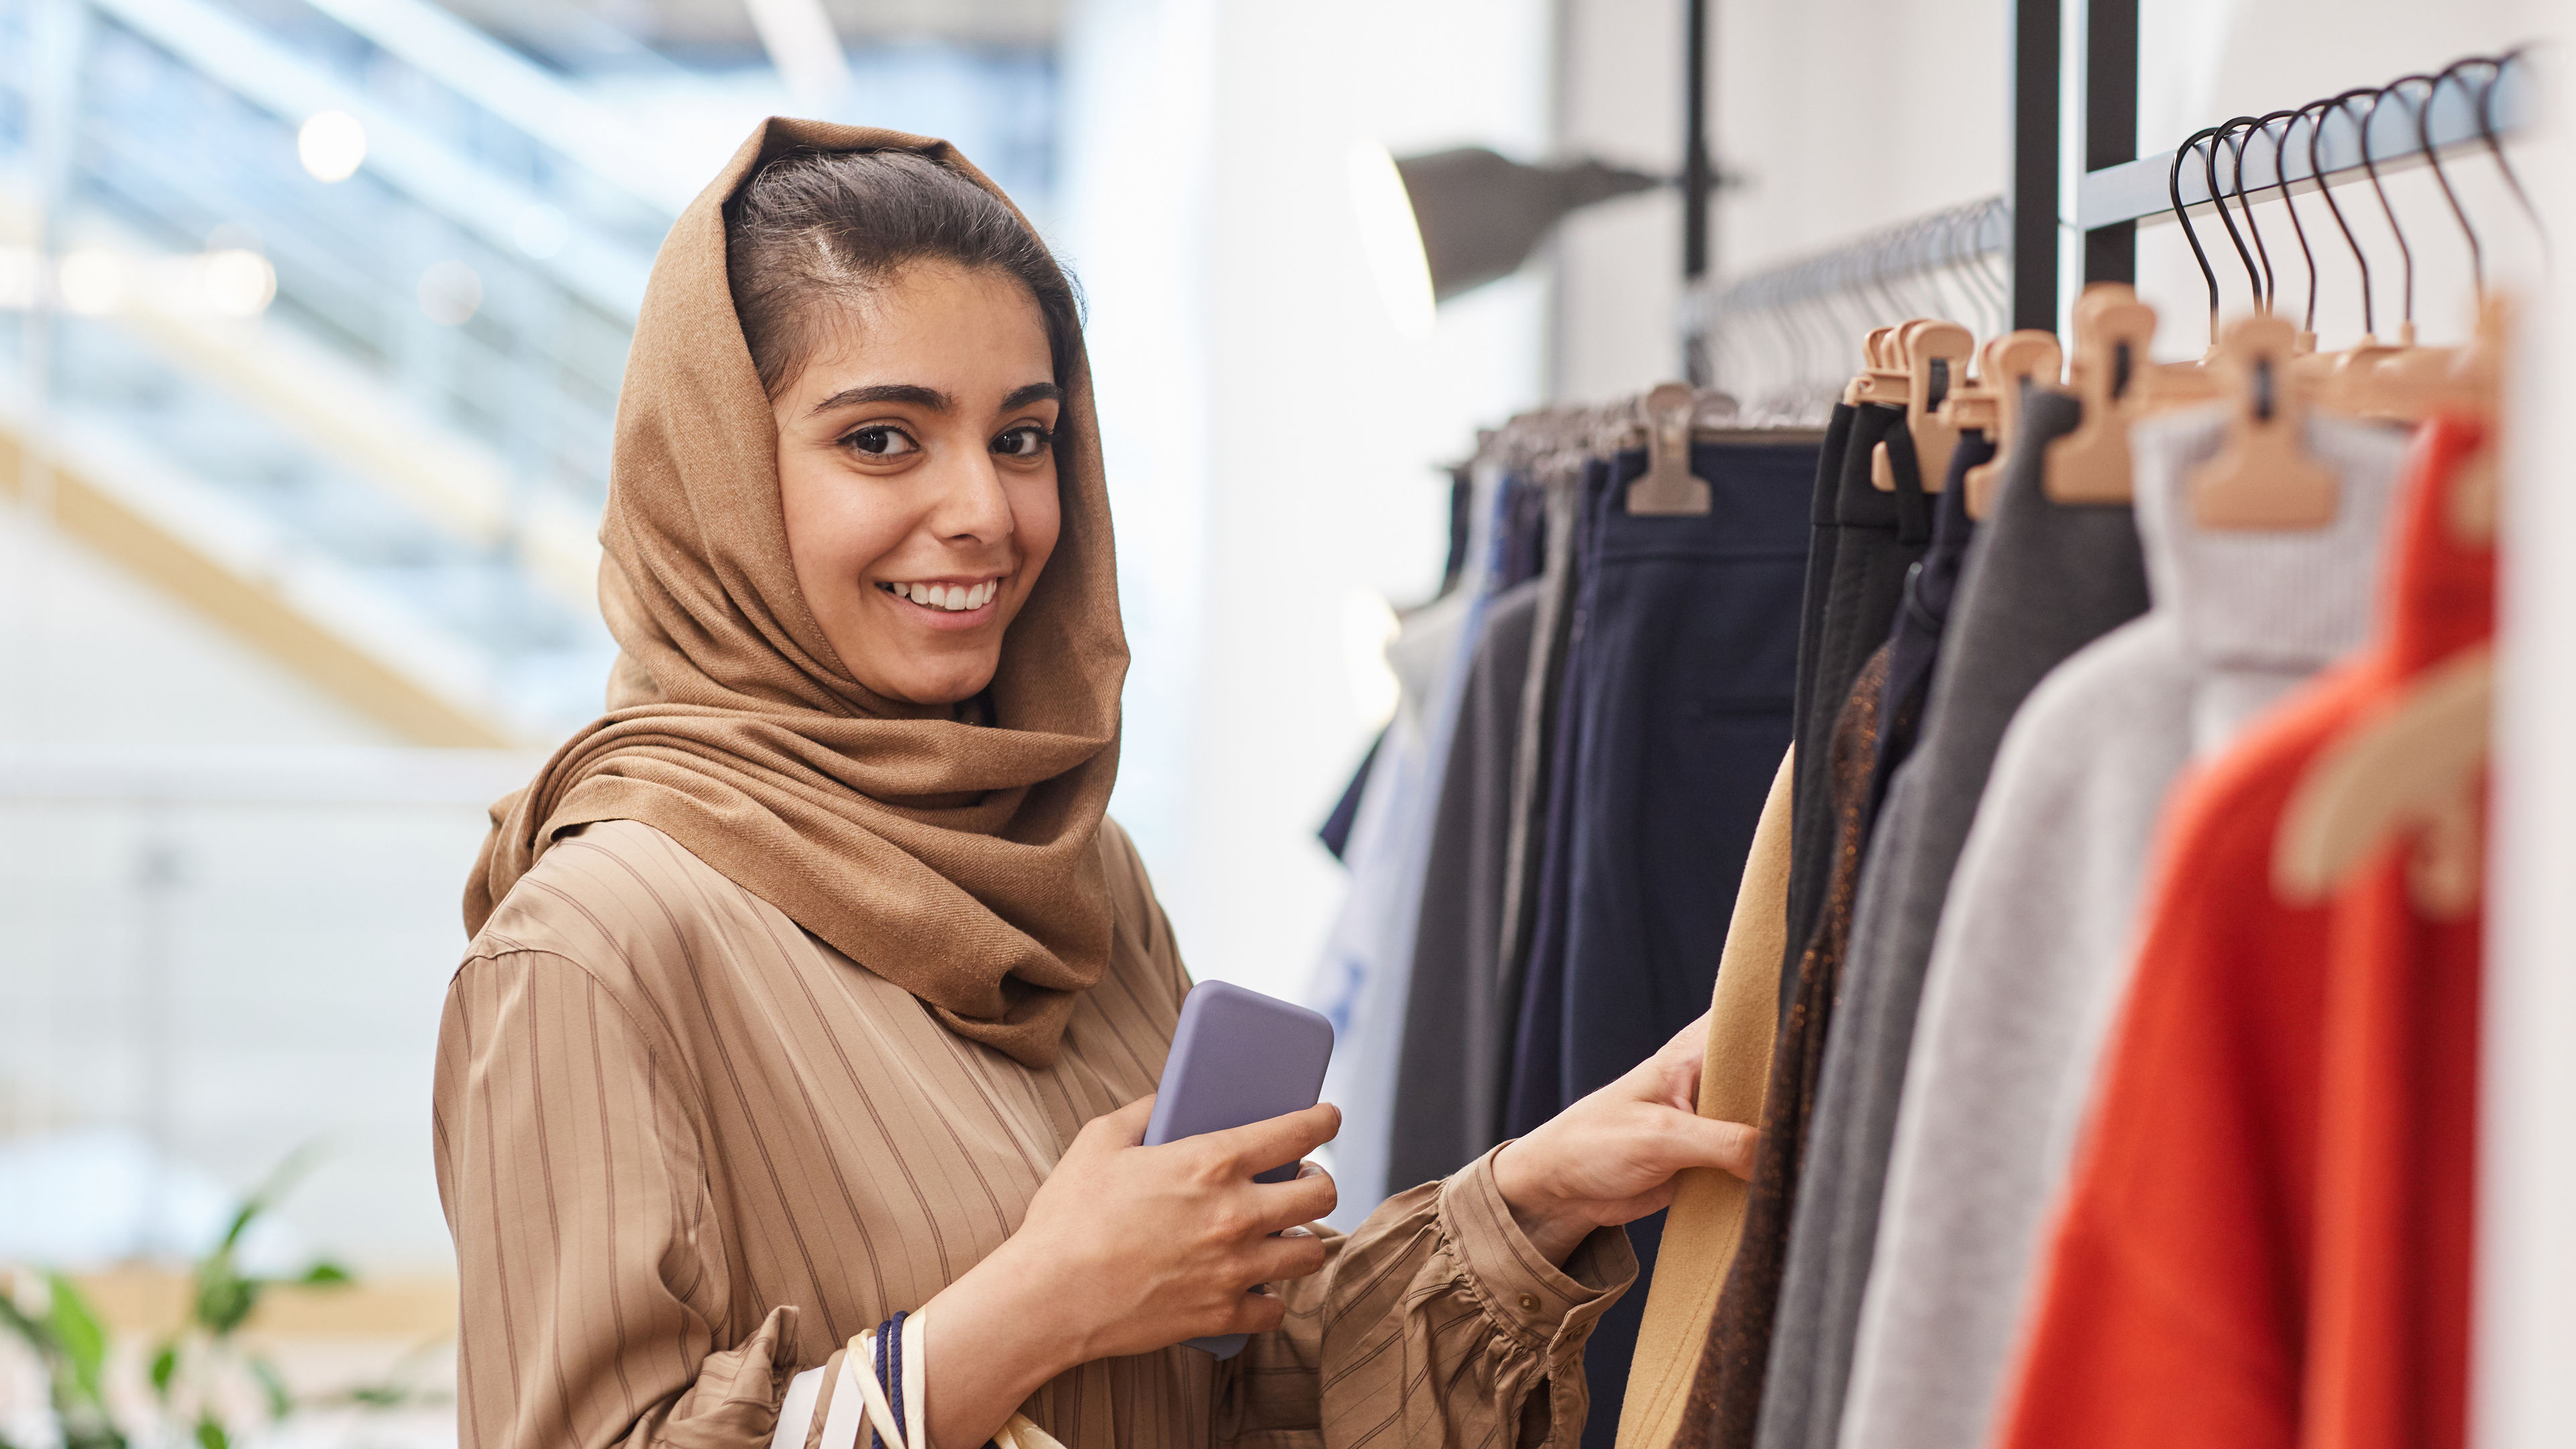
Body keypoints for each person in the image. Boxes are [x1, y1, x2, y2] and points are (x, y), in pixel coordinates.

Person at [433, 119, 1757, 1449]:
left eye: (1023, 439)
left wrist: (1532, 1199)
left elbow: (1231, 1392)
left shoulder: (1072, 866)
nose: (988, 514)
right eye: (884, 440)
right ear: (713, 477)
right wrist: (1036, 1308)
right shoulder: (592, 946)